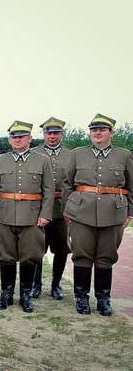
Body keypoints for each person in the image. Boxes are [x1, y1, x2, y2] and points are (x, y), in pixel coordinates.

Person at [63, 114, 133, 316]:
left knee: (106, 257)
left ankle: (103, 299)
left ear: (111, 132)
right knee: (82, 256)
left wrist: (129, 213)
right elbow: (68, 184)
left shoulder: (124, 155)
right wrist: (68, 210)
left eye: (102, 129)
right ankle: (82, 298)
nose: (97, 133)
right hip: (81, 213)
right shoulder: (78, 154)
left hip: (113, 214)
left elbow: (131, 187)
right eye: (94, 130)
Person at [0, 121, 54, 313]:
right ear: (10, 140)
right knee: (6, 257)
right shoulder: (1, 160)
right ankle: (6, 293)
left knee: (30, 257)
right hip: (5, 216)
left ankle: (25, 294)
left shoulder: (42, 160)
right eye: (14, 137)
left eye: (21, 137)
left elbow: (48, 191)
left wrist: (45, 214)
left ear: (30, 139)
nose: (17, 140)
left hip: (32, 217)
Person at [29, 118, 72, 299]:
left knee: (62, 248)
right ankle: (35, 284)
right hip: (39, 209)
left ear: (62, 134)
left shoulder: (71, 155)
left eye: (55, 133)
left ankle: (56, 284)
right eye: (48, 133)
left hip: (62, 208)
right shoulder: (33, 154)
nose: (52, 136)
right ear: (43, 134)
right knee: (37, 248)